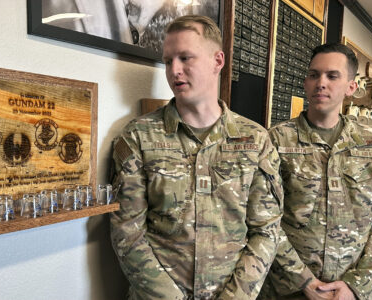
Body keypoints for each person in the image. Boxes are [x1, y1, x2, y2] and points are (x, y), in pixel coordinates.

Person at [109, 15, 283, 299]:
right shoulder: (138, 137)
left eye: (185, 58)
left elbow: (266, 230)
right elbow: (127, 234)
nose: (174, 70)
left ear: (218, 61)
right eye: (168, 61)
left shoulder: (255, 140)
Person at [258, 43, 372, 300]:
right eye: (314, 75)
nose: (320, 83)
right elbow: (264, 219)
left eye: (332, 76)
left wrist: (356, 285)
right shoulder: (276, 140)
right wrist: (305, 281)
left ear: (351, 87)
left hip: (349, 290)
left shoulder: (371, 143)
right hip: (286, 289)